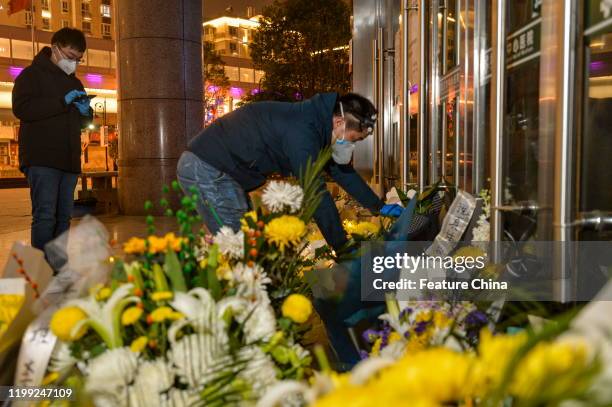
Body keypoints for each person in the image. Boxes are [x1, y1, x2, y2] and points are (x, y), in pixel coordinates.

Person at [177, 92, 403, 251]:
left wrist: (378, 206)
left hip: (224, 173)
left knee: (247, 242)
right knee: (240, 247)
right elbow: (315, 192)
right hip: (206, 170)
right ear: (339, 122)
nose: (351, 146)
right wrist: (342, 245)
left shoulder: (317, 127)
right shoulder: (302, 133)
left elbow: (340, 171)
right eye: (353, 139)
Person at [12, 28, 93, 261]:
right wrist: (61, 102)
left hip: (68, 159)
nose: (73, 63)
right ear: (55, 48)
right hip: (41, 159)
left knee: (63, 217)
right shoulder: (31, 75)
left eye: (77, 59)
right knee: (45, 215)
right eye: (69, 56)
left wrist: (85, 114)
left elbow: (82, 123)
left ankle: (57, 266)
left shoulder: (75, 82)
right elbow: (23, 109)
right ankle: (41, 270)